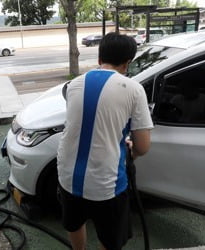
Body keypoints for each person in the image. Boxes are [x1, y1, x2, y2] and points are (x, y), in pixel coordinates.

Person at [57, 32, 154, 250]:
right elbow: (143, 146)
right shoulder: (134, 89)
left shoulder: (74, 84)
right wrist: (132, 152)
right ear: (128, 63)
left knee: (74, 222)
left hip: (67, 175)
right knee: (111, 238)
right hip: (106, 182)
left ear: (99, 59)